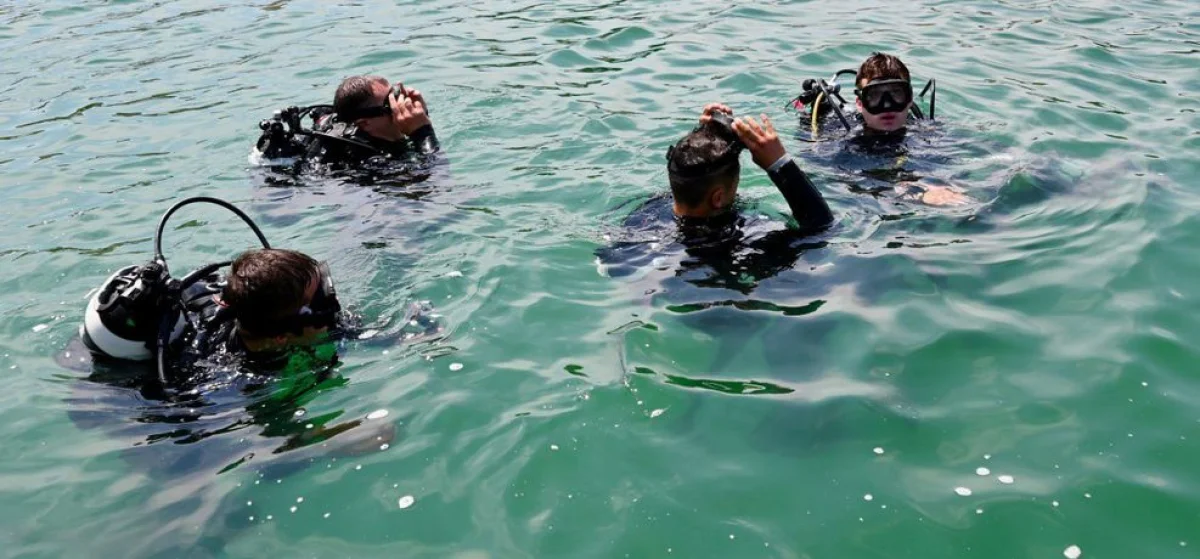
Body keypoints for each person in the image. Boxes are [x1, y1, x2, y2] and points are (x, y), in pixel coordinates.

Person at [598, 103, 833, 292]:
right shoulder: (749, 237)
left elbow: (611, 269)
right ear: (718, 198)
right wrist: (780, 164)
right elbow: (822, 230)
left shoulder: (644, 216)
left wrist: (701, 137)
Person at [253, 75, 441, 169]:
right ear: (365, 123)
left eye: (397, 94)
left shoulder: (361, 134)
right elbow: (436, 184)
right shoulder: (372, 163)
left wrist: (422, 114)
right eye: (390, 103)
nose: (401, 104)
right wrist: (423, 132)